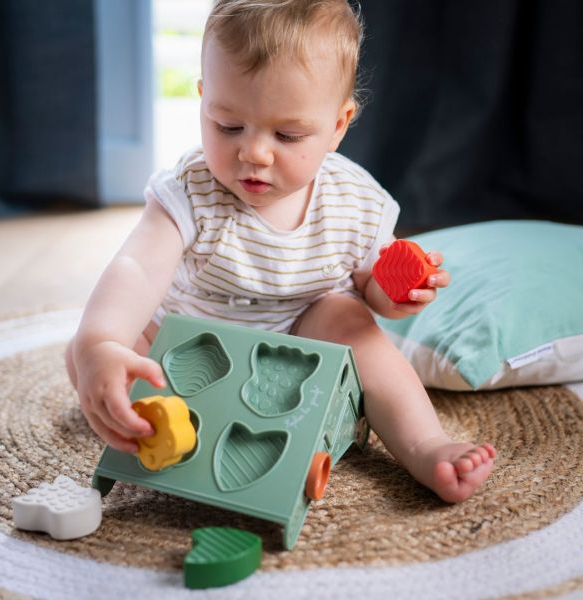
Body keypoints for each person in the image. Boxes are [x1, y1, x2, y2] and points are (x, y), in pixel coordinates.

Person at [66, 0, 495, 503]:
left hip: (299, 343)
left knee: (350, 320)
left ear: (338, 125)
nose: (254, 152)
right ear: (203, 100)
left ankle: (425, 444)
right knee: (90, 357)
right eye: (228, 126)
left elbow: (371, 289)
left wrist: (396, 294)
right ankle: (163, 418)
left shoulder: (356, 202)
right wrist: (101, 342)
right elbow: (137, 268)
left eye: (288, 135)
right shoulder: (190, 191)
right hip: (190, 348)